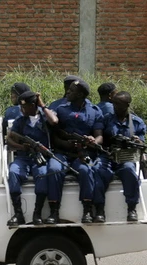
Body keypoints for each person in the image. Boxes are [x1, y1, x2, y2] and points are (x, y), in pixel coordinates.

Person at [45, 79, 105, 224]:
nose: (68, 92)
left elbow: (100, 136)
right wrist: (64, 144)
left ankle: (87, 211)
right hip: (62, 152)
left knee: (86, 170)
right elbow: (53, 134)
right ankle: (54, 211)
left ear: (80, 95)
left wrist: (92, 141)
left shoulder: (94, 111)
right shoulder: (61, 109)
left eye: (71, 91)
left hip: (82, 153)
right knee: (53, 168)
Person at [6, 91, 58, 226]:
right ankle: (18, 213)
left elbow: (54, 121)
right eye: (21, 107)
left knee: (42, 175)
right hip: (24, 157)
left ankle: (37, 213)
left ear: (34, 105)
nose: (22, 110)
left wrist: (42, 105)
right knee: (13, 172)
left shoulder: (45, 118)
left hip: (40, 157)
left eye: (26, 106)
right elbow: (10, 140)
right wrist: (22, 147)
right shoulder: (20, 121)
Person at [94, 91, 147, 222]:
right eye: (114, 103)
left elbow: (142, 143)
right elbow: (99, 134)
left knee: (129, 170)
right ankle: (100, 210)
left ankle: (131, 208)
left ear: (127, 105)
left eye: (118, 104)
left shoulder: (136, 122)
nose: (115, 106)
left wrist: (137, 141)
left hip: (126, 155)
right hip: (108, 154)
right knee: (98, 171)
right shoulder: (106, 118)